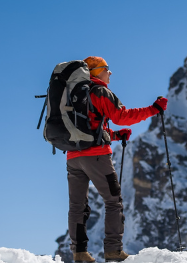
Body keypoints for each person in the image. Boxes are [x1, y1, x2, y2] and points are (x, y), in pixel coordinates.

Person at [68, 56, 167, 262]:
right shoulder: (100, 91)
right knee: (113, 201)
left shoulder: (73, 93)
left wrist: (114, 135)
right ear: (95, 72)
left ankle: (79, 252)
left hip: (72, 156)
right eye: (107, 68)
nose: (110, 73)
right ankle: (113, 249)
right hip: (96, 157)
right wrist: (154, 109)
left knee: (77, 205)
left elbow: (89, 127)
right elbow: (121, 116)